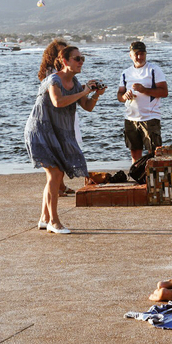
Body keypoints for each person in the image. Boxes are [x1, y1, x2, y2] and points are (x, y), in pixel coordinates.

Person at [25, 46, 106, 234]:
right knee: (55, 175)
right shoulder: (53, 80)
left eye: (82, 58)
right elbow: (58, 102)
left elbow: (87, 107)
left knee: (54, 176)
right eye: (77, 58)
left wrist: (94, 95)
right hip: (40, 130)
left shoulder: (76, 83)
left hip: (56, 132)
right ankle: (54, 221)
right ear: (65, 61)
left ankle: (44, 218)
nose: (81, 62)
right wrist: (84, 91)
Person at [117, 41, 168, 164]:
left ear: (146, 54)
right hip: (130, 118)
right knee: (135, 152)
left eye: (142, 54)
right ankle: (138, 178)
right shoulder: (125, 73)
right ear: (130, 55)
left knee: (154, 152)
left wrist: (144, 90)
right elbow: (119, 95)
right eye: (136, 54)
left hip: (150, 117)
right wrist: (125, 96)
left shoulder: (154, 70)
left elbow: (164, 92)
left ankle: (154, 179)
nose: (139, 57)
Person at [38, 38, 76, 197]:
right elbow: (56, 100)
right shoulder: (51, 75)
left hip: (65, 114)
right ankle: (58, 187)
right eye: (59, 52)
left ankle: (60, 185)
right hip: (54, 117)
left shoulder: (67, 75)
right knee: (57, 154)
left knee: (64, 149)